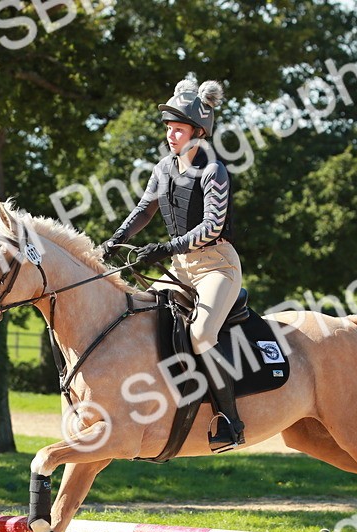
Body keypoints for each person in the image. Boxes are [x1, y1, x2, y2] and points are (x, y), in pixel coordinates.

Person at [100, 78, 246, 451]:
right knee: (140, 319)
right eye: (168, 128)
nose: (171, 135)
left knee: (200, 335)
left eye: (178, 129)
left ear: (198, 132)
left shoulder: (214, 171)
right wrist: (116, 239)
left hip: (216, 266)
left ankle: (229, 420)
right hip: (179, 266)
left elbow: (212, 226)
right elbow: (144, 210)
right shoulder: (163, 168)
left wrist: (164, 248)